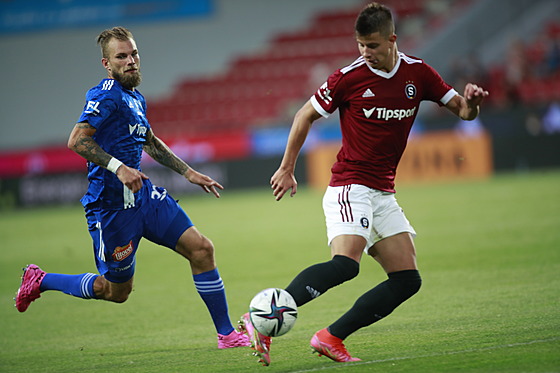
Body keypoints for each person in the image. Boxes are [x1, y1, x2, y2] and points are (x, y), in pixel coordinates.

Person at [241, 2, 488, 365]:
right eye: (360, 45)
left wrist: (474, 104)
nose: (365, 53)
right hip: (350, 185)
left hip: (383, 192)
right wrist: (287, 167)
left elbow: (464, 112)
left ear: (392, 39)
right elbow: (304, 114)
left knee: (407, 280)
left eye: (372, 45)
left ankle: (330, 337)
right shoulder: (348, 77)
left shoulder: (419, 74)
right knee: (346, 265)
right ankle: (260, 321)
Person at [15, 26, 250, 350]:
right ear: (106, 64)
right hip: (111, 208)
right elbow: (77, 140)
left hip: (143, 199)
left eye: (134, 54)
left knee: (202, 249)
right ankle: (41, 280)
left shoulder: (135, 98)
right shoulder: (105, 95)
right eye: (121, 57)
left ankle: (227, 335)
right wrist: (118, 167)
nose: (131, 61)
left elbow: (149, 142)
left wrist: (188, 172)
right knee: (116, 292)